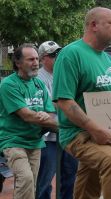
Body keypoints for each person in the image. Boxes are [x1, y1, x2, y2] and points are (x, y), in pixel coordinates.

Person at [52, 7, 111, 199]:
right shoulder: (71, 54)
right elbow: (64, 101)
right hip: (79, 134)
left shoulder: (107, 59)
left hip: (107, 134)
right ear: (94, 25)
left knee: (87, 188)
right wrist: (95, 129)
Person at [0, 43, 58, 199]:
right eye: (30, 59)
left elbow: (50, 113)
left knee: (31, 185)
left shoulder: (39, 84)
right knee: (25, 178)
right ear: (18, 63)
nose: (36, 63)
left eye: (37, 59)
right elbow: (26, 115)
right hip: (13, 141)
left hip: (35, 142)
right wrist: (70, 125)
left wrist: (48, 117)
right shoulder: (8, 84)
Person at [36, 41, 78, 199]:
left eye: (59, 54)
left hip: (68, 134)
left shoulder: (65, 73)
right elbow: (50, 105)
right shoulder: (39, 78)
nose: (57, 57)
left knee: (70, 178)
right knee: (44, 181)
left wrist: (65, 103)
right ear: (43, 58)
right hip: (48, 138)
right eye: (53, 55)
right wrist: (67, 103)